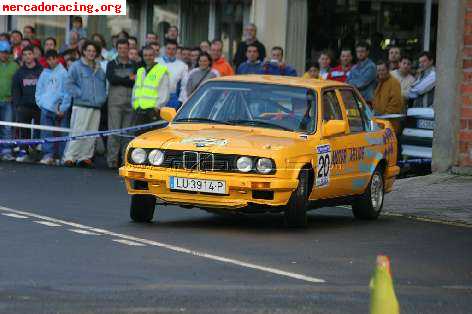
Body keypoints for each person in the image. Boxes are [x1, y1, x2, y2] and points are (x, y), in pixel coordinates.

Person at [63, 41, 107, 168]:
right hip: (81, 105)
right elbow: (68, 83)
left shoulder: (99, 68)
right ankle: (70, 157)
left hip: (96, 106)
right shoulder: (77, 66)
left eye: (93, 51)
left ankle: (85, 157)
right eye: (89, 50)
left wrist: (102, 98)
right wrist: (80, 93)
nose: (91, 53)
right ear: (83, 51)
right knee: (78, 131)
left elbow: (104, 85)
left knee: (91, 133)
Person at [35, 50, 71, 165]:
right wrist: (41, 103)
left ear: (58, 58)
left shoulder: (64, 73)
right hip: (46, 108)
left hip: (59, 108)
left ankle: (62, 156)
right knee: (46, 132)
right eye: (49, 59)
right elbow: (39, 89)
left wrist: (63, 108)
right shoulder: (44, 73)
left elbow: (67, 92)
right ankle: (48, 155)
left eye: (53, 58)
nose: (51, 61)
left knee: (62, 132)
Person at [105, 39, 136, 169]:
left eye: (125, 48)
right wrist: (127, 79)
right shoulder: (111, 64)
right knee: (114, 133)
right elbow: (112, 79)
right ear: (117, 49)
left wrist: (122, 80)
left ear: (129, 49)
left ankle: (125, 161)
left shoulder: (135, 64)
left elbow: (135, 81)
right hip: (115, 103)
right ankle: (112, 161)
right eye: (120, 48)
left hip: (130, 103)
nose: (123, 51)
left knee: (127, 135)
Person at [11, 45, 43, 162]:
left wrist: (43, 103)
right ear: (22, 57)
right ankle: (24, 151)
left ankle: (37, 153)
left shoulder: (41, 70)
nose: (27, 56)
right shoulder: (19, 73)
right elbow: (15, 90)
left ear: (34, 55)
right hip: (24, 106)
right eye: (25, 55)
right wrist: (17, 105)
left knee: (39, 130)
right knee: (24, 131)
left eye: (30, 54)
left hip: (39, 106)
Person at [132, 45, 170, 126]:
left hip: (153, 111)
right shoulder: (140, 71)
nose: (148, 57)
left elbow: (164, 92)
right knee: (139, 137)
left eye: (150, 55)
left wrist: (157, 107)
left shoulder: (161, 70)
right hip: (139, 110)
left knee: (153, 137)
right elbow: (135, 89)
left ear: (154, 56)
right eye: (145, 55)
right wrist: (134, 105)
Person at [0, 40, 19, 161]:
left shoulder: (15, 65)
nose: (4, 54)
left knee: (7, 127)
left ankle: (6, 151)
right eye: (2, 52)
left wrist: (15, 97)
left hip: (8, 101)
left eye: (6, 52)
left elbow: (18, 84)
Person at [373, 60, 404, 133]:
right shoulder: (380, 82)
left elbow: (395, 103)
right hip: (380, 121)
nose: (380, 72)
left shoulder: (394, 82)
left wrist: (384, 116)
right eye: (379, 70)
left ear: (388, 70)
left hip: (390, 123)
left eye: (383, 70)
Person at [157, 39, 188, 109]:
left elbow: (184, 85)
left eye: (173, 49)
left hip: (173, 100)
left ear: (177, 50)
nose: (171, 51)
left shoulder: (182, 65)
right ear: (165, 49)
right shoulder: (156, 62)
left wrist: (180, 101)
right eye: (169, 48)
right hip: (157, 98)